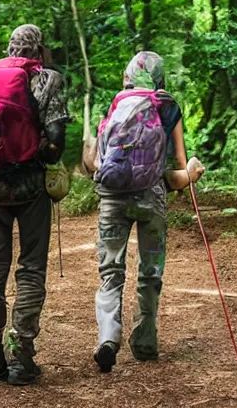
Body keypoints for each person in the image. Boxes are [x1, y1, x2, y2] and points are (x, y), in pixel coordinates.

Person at [0, 24, 69, 386]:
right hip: (31, 188)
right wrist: (40, 154)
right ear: (39, 50)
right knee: (31, 269)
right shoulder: (49, 80)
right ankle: (22, 357)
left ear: (9, 48)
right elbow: (56, 139)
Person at [83, 51, 204, 373]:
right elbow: (180, 166)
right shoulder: (168, 106)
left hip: (112, 198)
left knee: (111, 272)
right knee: (150, 273)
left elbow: (93, 163)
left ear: (127, 75)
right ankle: (145, 342)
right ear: (160, 76)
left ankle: (108, 337)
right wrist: (193, 171)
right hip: (152, 198)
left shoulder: (116, 103)